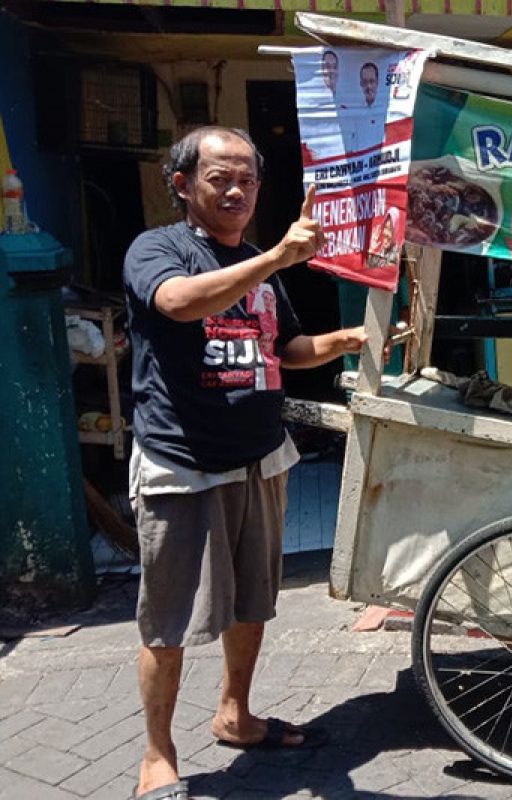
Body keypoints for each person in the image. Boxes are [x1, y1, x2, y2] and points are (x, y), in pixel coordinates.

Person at [124, 126, 375, 800]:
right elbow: (178, 303)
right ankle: (156, 756)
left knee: (253, 604)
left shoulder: (261, 262)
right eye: (220, 178)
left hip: (260, 460)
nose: (237, 190)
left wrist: (349, 340)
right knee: (168, 619)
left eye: (248, 179)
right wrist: (278, 261)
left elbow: (287, 349)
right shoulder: (158, 249)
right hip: (183, 464)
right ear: (181, 185)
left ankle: (235, 715)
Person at [366, 206, 401, 270]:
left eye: (390, 229)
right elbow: (369, 268)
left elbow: (379, 274)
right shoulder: (384, 249)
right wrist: (371, 249)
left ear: (395, 230)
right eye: (385, 227)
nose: (385, 232)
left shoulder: (395, 255)